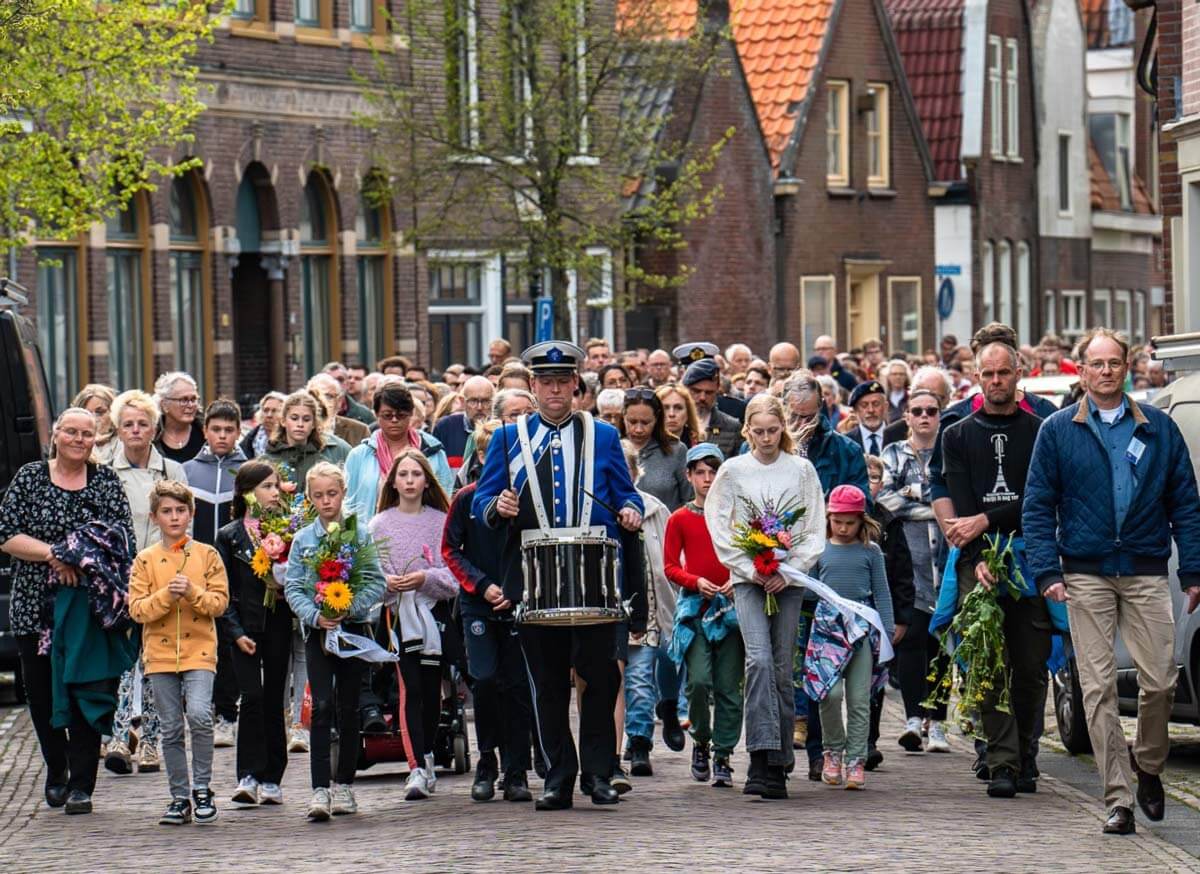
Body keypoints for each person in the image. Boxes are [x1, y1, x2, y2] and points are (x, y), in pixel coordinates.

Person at [1024, 328, 1200, 836]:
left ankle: (1147, 765)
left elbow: (1185, 503)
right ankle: (1118, 797)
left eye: (1113, 363)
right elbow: (1038, 506)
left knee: (1161, 680)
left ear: (1126, 369)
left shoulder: (1159, 429)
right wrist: (1046, 571)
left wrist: (1192, 569)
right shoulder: (1057, 430)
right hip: (1084, 572)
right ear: (1082, 371)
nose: (1105, 371)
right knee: (1097, 687)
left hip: (1145, 571)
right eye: (1096, 363)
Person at [473, 340, 644, 810]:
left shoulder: (604, 436)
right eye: (545, 383)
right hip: (535, 579)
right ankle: (558, 777)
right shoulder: (509, 437)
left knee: (601, 679)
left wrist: (629, 512)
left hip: (594, 577)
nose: (553, 390)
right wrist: (497, 506)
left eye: (562, 382)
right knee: (546, 684)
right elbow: (482, 503)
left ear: (576, 386)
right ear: (532, 386)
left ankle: (600, 773)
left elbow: (627, 496)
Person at [0, 408, 136, 814]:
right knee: (39, 693)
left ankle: (81, 784)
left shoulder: (106, 481)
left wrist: (77, 559)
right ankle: (56, 768)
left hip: (88, 609)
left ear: (96, 440)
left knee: (84, 689)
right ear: (55, 434)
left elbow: (121, 537)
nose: (78, 439)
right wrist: (56, 555)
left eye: (87, 433)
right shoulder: (29, 477)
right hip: (33, 607)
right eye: (71, 431)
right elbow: (7, 533)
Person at [941, 341, 1048, 800]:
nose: (996, 381)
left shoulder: (1042, 430)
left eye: (1003, 373)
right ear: (977, 376)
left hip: (1032, 557)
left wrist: (990, 519)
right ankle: (1001, 760)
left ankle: (1025, 752)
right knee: (988, 661)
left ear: (1018, 373)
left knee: (1029, 663)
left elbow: (1041, 502)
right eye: (988, 374)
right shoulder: (958, 434)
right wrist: (979, 555)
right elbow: (963, 509)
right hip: (978, 559)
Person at [705, 393, 825, 799]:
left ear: (783, 429)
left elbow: (812, 524)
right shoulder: (734, 470)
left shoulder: (801, 470)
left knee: (779, 662)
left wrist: (788, 568)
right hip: (748, 576)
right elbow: (720, 523)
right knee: (757, 659)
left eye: (773, 430)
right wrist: (751, 567)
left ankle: (779, 759)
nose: (766, 438)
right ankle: (761, 751)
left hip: (787, 578)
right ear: (747, 431)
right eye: (758, 432)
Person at [284, 462, 386, 822]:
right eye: (318, 495)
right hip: (318, 632)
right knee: (322, 705)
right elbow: (294, 586)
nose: (326, 501)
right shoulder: (303, 539)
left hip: (352, 630)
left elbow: (375, 581)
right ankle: (318, 789)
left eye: (332, 493)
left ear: (343, 492)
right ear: (309, 499)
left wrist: (350, 607)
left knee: (349, 706)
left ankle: (344, 783)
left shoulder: (358, 535)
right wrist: (315, 616)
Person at [127, 480, 230, 826]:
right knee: (170, 728)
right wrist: (165, 597)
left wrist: (193, 593)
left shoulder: (208, 555)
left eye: (180, 511)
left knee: (200, 715)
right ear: (155, 517)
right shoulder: (145, 560)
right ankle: (178, 796)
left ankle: (202, 787)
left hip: (200, 649)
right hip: (158, 654)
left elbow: (219, 603)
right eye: (167, 512)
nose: (174, 517)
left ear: (191, 513)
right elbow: (137, 609)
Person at [443, 421, 534, 803]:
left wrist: (516, 589)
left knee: (516, 685)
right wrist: (482, 585)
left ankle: (517, 768)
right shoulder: (467, 498)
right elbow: (451, 549)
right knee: (484, 679)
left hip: (518, 602)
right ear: (480, 457)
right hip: (478, 602)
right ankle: (486, 759)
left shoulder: (530, 498)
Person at [105, 389, 188, 777]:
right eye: (128, 424)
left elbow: (185, 524)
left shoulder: (171, 471)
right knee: (123, 661)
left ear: (155, 428)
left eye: (143, 423)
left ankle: (153, 741)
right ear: (117, 429)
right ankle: (120, 736)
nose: (136, 430)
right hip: (120, 578)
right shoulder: (104, 470)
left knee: (156, 661)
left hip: (162, 578)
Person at [368, 450, 459, 800]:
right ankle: (416, 765)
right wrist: (388, 582)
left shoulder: (441, 520)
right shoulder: (379, 525)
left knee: (433, 685)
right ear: (393, 481)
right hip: (398, 615)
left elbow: (452, 574)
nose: (408, 481)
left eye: (415, 474)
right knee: (411, 688)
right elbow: (371, 575)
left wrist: (424, 577)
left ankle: (430, 754)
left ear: (426, 480)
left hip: (433, 612)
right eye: (402, 474)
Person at [664, 443, 742, 788]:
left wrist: (737, 580)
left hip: (732, 608)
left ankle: (724, 754)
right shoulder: (680, 518)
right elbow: (669, 565)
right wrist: (694, 580)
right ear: (689, 476)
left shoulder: (736, 515)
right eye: (700, 472)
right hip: (696, 606)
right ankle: (701, 741)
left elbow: (752, 555)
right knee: (697, 681)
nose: (707, 479)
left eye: (713, 472)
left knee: (728, 686)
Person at [218, 461, 296, 808]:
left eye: (276, 485)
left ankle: (272, 776)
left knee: (273, 697)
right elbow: (222, 589)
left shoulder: (287, 529)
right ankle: (247, 774)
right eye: (267, 486)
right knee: (250, 696)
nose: (274, 492)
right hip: (244, 627)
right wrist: (234, 632)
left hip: (277, 623)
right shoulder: (230, 534)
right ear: (248, 491)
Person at [879, 390, 950, 754]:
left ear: (940, 414)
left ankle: (937, 722)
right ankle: (911, 717)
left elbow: (954, 499)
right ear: (907, 416)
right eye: (917, 411)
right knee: (911, 639)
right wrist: (933, 505)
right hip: (909, 560)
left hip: (946, 559)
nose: (925, 417)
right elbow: (887, 501)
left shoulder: (949, 449)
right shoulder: (892, 453)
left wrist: (914, 495)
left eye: (931, 411)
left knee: (941, 646)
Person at [810, 485, 894, 791]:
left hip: (861, 632)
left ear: (862, 521)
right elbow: (811, 590)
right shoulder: (819, 549)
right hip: (827, 632)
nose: (843, 528)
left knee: (860, 698)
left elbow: (882, 593)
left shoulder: (871, 552)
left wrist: (886, 632)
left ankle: (856, 759)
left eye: (850, 522)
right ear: (828, 518)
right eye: (838, 521)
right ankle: (832, 751)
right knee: (829, 695)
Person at [620, 440, 679, 778]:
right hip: (625, 611)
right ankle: (639, 742)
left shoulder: (656, 510)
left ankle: (668, 708)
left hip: (659, 606)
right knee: (639, 679)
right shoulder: (600, 510)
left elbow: (669, 558)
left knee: (668, 665)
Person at [344, 383, 453, 522]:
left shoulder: (433, 451)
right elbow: (348, 505)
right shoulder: (359, 456)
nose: (394, 420)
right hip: (371, 537)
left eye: (401, 415)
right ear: (376, 414)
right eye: (387, 415)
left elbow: (445, 499)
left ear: (411, 414)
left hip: (423, 532)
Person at [262, 392, 351, 496]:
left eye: (306, 419)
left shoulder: (325, 458)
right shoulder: (267, 460)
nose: (300, 424)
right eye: (294, 418)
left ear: (313, 424)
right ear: (283, 421)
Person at [184, 399, 247, 546]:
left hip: (236, 562)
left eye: (229, 430)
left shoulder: (249, 471)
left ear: (238, 433)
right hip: (196, 559)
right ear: (205, 431)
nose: (222, 436)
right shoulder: (186, 471)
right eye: (216, 429)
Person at [623, 388, 691, 511]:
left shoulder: (676, 450)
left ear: (657, 419)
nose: (638, 429)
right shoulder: (613, 448)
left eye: (645, 423)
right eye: (632, 422)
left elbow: (690, 500)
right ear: (623, 416)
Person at [681, 358, 742, 459]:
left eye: (709, 393)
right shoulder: (674, 423)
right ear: (685, 389)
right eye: (696, 391)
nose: (702, 398)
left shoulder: (732, 427)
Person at [432, 375, 495, 472]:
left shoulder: (501, 430)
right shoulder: (445, 427)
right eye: (473, 401)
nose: (479, 407)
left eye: (486, 401)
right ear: (462, 401)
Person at [153, 372, 206, 464]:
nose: (190, 405)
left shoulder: (206, 433)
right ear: (164, 404)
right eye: (183, 400)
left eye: (193, 399)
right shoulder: (152, 436)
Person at [308, 374, 370, 447]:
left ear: (339, 401)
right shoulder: (298, 429)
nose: (321, 401)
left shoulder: (359, 430)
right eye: (315, 396)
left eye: (328, 396)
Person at [73, 384, 118, 463]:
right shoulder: (72, 444)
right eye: (87, 413)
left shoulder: (125, 444)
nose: (94, 419)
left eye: (100, 412)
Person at [846, 381, 889, 456]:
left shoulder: (899, 437)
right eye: (864, 405)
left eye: (876, 404)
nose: (871, 410)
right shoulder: (846, 442)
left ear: (886, 406)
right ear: (856, 410)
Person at [240, 392, 287, 459]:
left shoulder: (290, 437)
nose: (269, 415)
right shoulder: (252, 437)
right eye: (266, 410)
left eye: (274, 411)